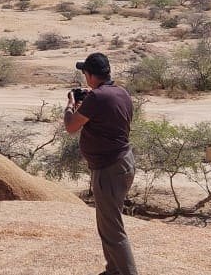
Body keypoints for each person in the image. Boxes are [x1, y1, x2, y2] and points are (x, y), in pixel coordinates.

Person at [64, 52, 137, 275]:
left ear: (89, 74)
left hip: (109, 168)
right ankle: (113, 269)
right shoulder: (120, 92)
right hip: (123, 161)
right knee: (106, 224)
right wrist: (92, 98)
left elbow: (71, 126)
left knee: (112, 228)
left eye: (85, 72)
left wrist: (70, 105)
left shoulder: (97, 98)